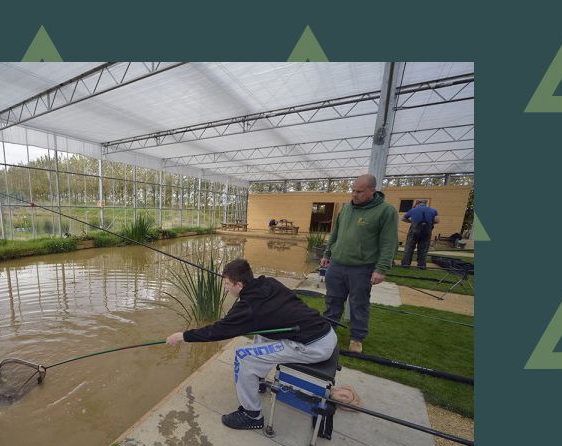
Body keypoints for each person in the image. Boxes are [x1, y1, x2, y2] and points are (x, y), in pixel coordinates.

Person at [166, 259, 337, 430]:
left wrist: (183, 336)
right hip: (325, 332)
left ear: (239, 285)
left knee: (243, 356)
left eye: (227, 284)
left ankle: (252, 414)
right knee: (262, 334)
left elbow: (217, 331)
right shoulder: (269, 282)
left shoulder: (248, 308)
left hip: (314, 347)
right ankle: (258, 380)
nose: (225, 287)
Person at [319, 174, 398, 354]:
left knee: (359, 303)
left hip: (362, 268)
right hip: (337, 264)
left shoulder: (386, 211)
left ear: (372, 191)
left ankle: (357, 338)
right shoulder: (346, 209)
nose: (354, 194)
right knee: (332, 300)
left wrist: (381, 269)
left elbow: (389, 242)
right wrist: (327, 253)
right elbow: (336, 234)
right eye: (353, 190)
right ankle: (327, 333)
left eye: (359, 191)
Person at [400, 201, 439, 269]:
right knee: (423, 249)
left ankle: (405, 264)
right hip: (426, 232)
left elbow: (403, 218)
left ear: (417, 204)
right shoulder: (433, 210)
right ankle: (421, 266)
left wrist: (411, 222)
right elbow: (437, 221)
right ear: (425, 204)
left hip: (414, 231)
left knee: (409, 247)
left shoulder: (413, 209)